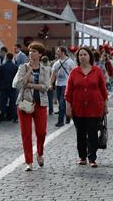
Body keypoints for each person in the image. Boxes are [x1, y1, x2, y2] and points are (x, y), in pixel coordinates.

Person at [65, 46, 108, 168]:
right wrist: (68, 107)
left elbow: (103, 90)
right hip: (78, 108)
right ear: (78, 58)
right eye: (80, 55)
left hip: (95, 108)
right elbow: (68, 92)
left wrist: (105, 106)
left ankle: (92, 157)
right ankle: (82, 156)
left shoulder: (97, 71)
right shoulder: (74, 72)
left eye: (85, 54)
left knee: (93, 133)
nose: (82, 57)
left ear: (90, 56)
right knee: (81, 134)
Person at [13, 42, 52, 171]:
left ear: (40, 54)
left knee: (42, 132)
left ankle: (40, 152)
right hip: (25, 103)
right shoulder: (22, 67)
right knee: (26, 133)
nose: (31, 53)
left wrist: (30, 85)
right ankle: (28, 161)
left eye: (34, 51)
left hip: (40, 103)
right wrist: (29, 71)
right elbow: (18, 84)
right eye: (30, 51)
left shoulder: (46, 69)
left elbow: (45, 87)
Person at [50, 46, 76, 127]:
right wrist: (51, 84)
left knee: (62, 103)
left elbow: (74, 74)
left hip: (66, 85)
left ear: (63, 52)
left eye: (58, 51)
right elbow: (53, 74)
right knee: (61, 102)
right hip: (58, 85)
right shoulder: (56, 63)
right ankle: (68, 116)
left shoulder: (70, 62)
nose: (56, 53)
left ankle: (60, 121)